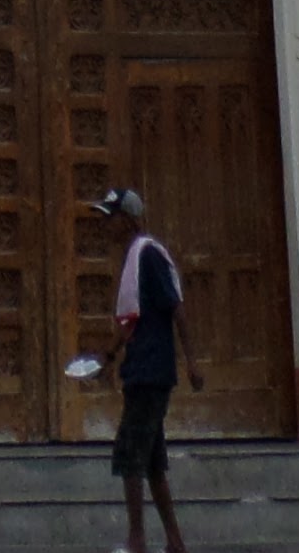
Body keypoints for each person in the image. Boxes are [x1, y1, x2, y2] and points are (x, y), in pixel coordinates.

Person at [99, 185, 204, 553]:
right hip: (140, 368)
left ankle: (136, 540)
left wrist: (191, 362)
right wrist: (108, 356)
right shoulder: (133, 258)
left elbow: (177, 308)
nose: (106, 225)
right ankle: (175, 542)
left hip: (151, 371)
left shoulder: (148, 256)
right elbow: (132, 319)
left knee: (130, 454)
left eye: (111, 217)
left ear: (128, 220)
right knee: (153, 461)